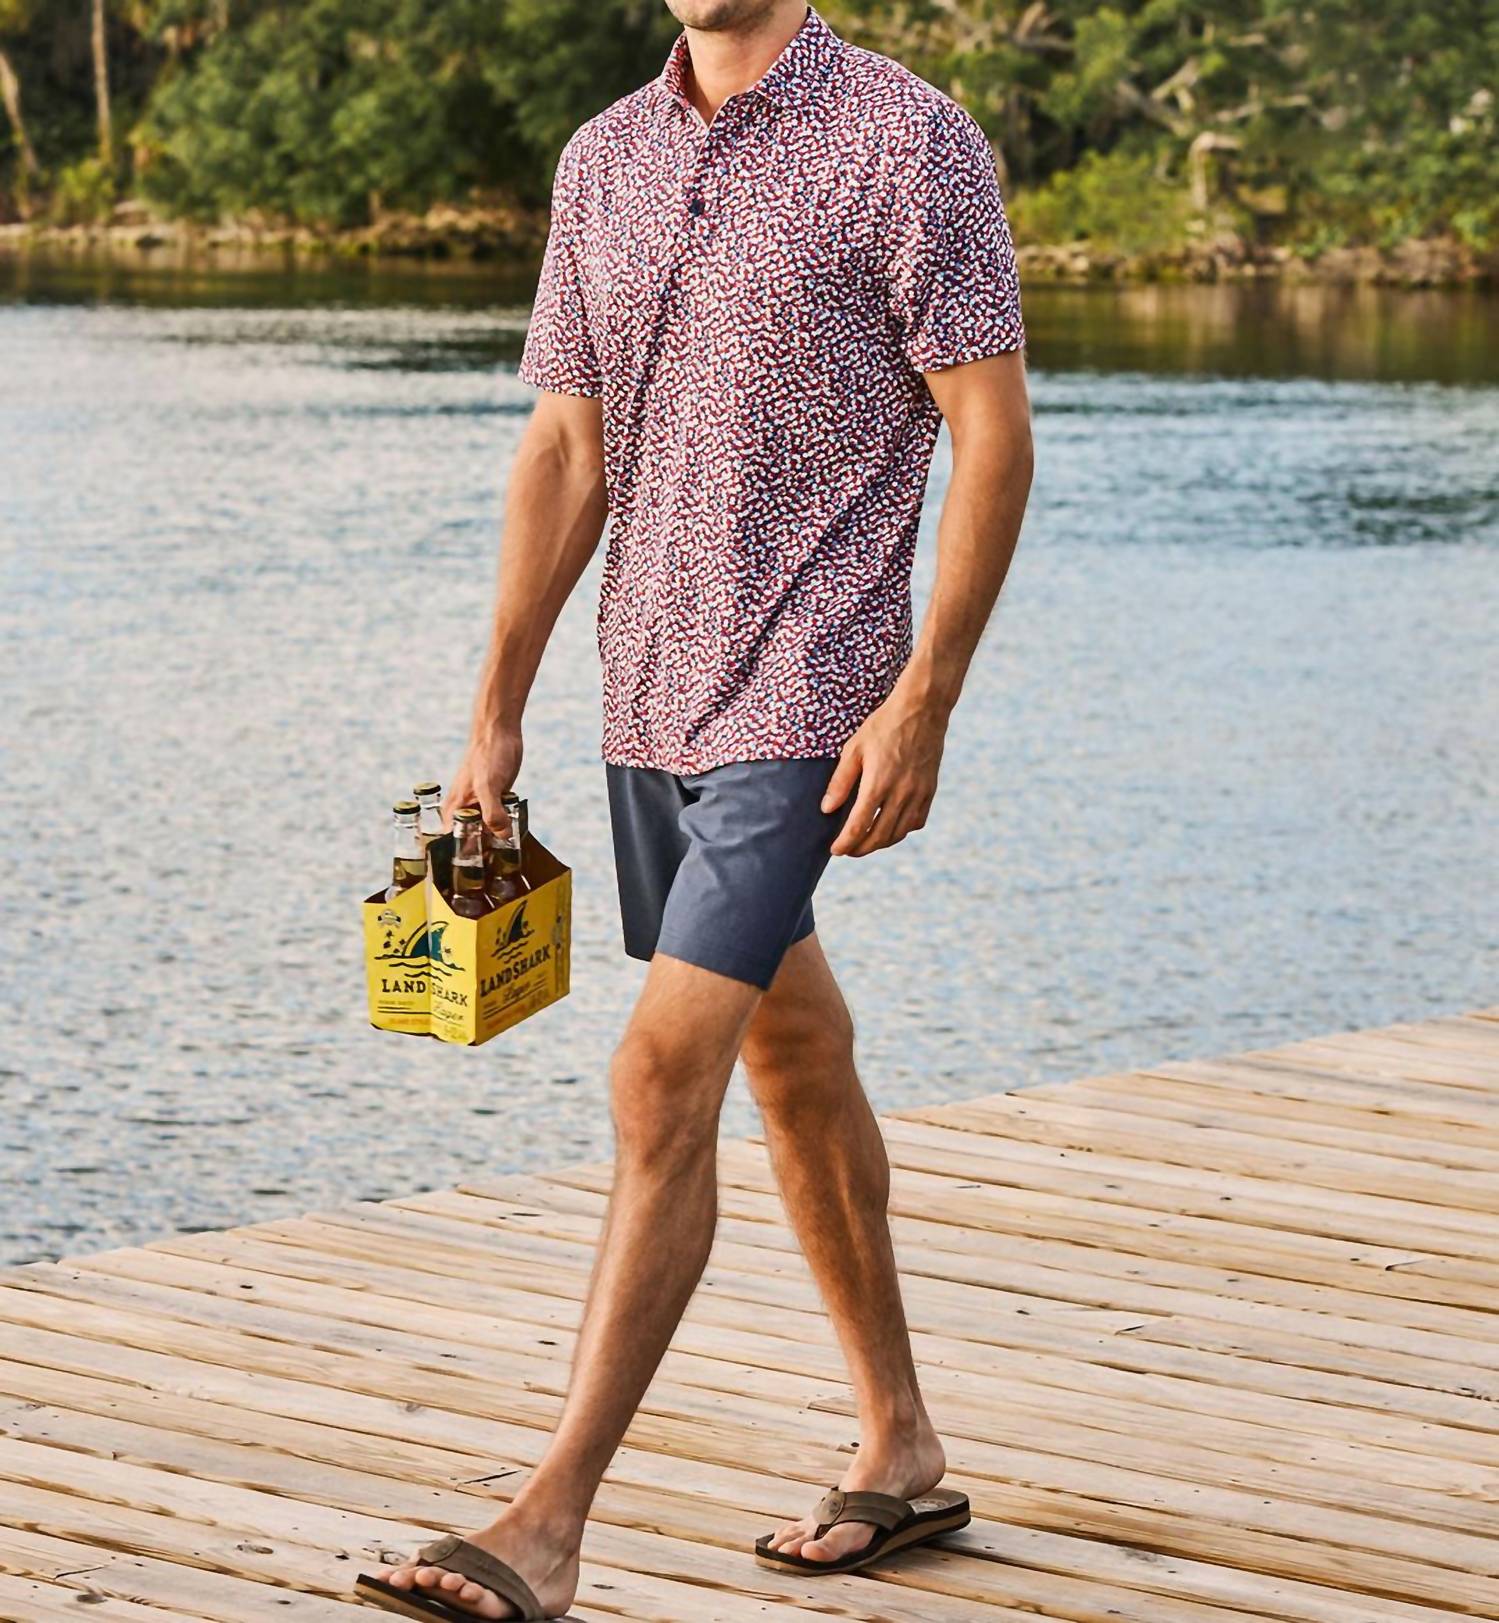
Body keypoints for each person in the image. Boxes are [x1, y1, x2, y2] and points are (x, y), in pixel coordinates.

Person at [357, 2, 1032, 1617]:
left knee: (661, 1075)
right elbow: (567, 445)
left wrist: (926, 695)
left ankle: (546, 1524)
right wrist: (496, 705)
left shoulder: (907, 139)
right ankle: (900, 1444)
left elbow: (992, 432)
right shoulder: (603, 159)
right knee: (792, 1049)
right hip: (650, 691)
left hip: (812, 690)